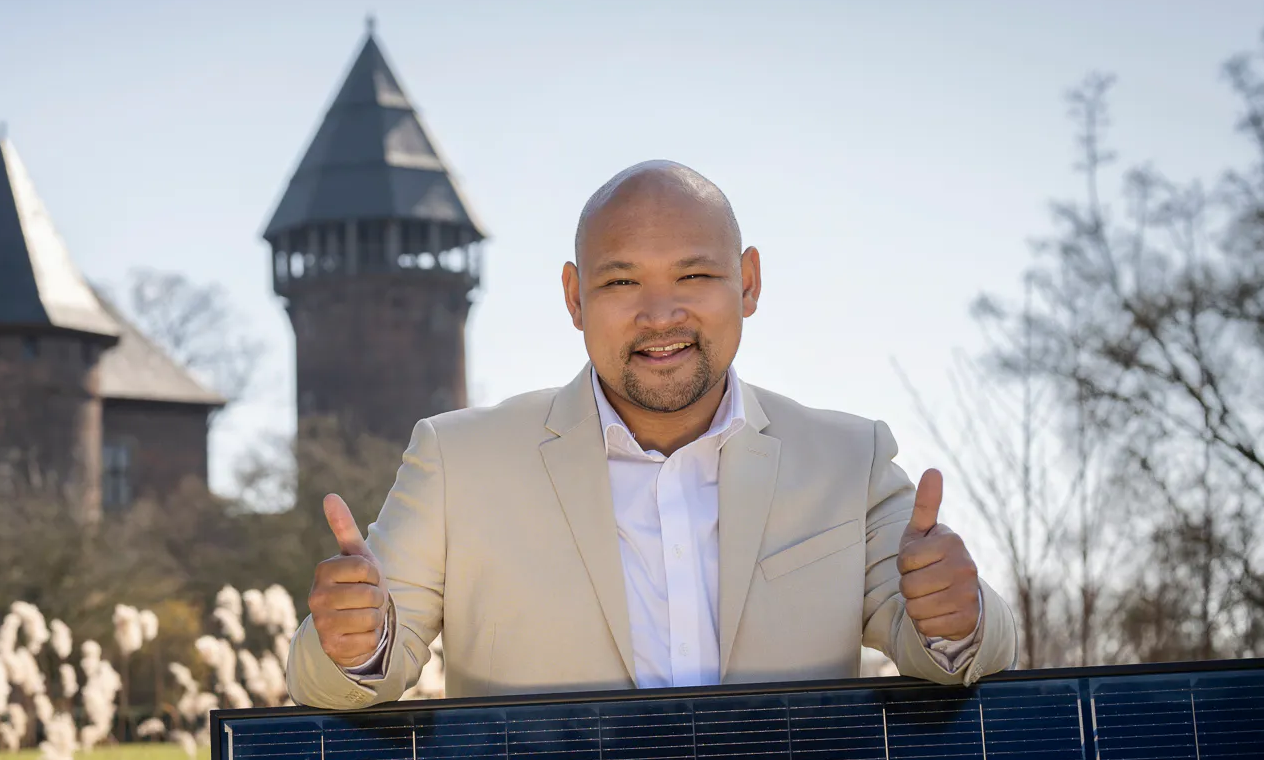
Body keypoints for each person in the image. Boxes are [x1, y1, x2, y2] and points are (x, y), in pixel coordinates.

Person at [288, 160, 1016, 710]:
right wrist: (356, 642)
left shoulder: (847, 461)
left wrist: (957, 618)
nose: (660, 313)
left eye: (694, 274)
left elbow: (965, 655)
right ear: (574, 297)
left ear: (748, 282)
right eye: (621, 283)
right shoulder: (458, 462)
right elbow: (330, 679)